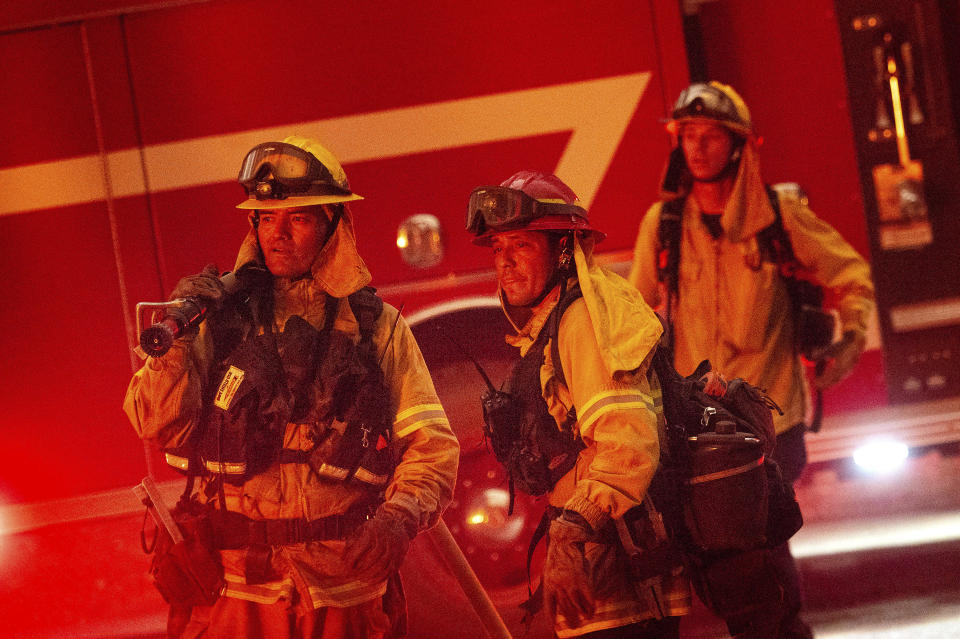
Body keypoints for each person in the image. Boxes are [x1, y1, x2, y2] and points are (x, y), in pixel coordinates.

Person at [124, 135, 459, 639]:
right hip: (239, 591)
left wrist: (399, 516)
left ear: (333, 228)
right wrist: (172, 347)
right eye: (265, 218)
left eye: (297, 218)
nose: (277, 234)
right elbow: (156, 424)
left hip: (344, 589)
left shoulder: (378, 328)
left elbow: (432, 447)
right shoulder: (215, 321)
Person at [628, 82, 875, 638]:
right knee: (730, 559)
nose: (696, 148)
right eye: (687, 136)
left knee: (754, 552)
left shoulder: (781, 219)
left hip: (772, 425)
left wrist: (849, 341)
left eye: (710, 136)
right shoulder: (663, 226)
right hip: (702, 430)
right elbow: (634, 316)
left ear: (739, 145)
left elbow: (852, 274)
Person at [467, 171, 686, 638]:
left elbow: (628, 443)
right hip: (604, 563)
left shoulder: (582, 322)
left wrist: (570, 532)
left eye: (521, 246)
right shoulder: (559, 317)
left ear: (563, 249)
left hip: (619, 569)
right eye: (498, 249)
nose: (505, 263)